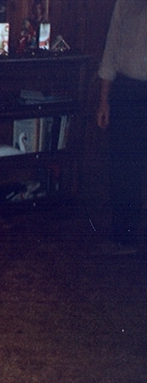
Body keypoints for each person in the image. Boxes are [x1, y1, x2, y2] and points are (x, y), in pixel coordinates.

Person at [96, 0, 147, 253]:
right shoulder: (125, 2)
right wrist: (104, 100)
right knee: (123, 166)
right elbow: (111, 48)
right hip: (127, 90)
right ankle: (123, 237)